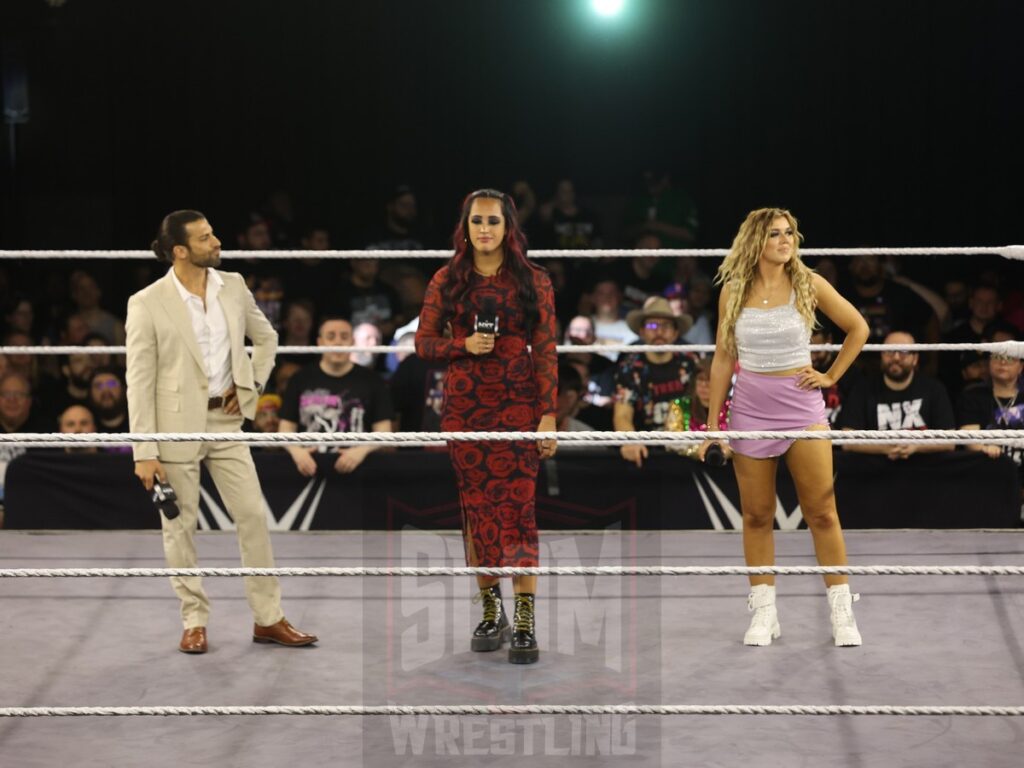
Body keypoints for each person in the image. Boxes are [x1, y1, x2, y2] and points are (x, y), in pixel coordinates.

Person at [127, 209, 316, 655]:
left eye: (214, 233)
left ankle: (268, 618)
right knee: (180, 525)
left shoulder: (233, 286)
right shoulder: (147, 303)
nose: (217, 242)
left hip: (227, 421)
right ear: (180, 250)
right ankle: (194, 620)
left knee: (252, 514)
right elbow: (139, 380)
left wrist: (249, 384)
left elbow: (266, 338)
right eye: (206, 237)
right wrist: (144, 450)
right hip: (174, 427)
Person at [702, 208, 869, 647]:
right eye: (775, 233)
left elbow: (858, 328)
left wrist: (831, 375)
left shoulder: (808, 284)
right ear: (756, 241)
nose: (785, 239)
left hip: (801, 406)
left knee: (822, 511)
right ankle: (764, 612)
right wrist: (712, 425)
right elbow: (722, 359)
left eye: (789, 232)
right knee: (756, 515)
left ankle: (841, 610)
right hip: (750, 409)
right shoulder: (733, 292)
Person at [415, 188, 557, 665]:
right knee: (477, 512)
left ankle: (524, 620)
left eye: (493, 221)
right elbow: (423, 343)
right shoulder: (447, 279)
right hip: (466, 407)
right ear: (465, 226)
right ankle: (491, 612)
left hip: (519, 404)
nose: (485, 229)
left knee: (518, 511)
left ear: (508, 226)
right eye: (477, 221)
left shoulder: (533, 280)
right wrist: (463, 346)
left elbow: (548, 349)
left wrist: (549, 414)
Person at [278, 316, 393, 476]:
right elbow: (285, 428)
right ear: (320, 342)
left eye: (344, 337)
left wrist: (361, 451)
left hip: (360, 472)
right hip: (308, 470)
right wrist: (297, 452)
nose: (338, 342)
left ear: (352, 341)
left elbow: (385, 431)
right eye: (331, 337)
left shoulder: (372, 380)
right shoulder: (300, 379)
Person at [839, 330, 956, 458]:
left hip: (923, 471)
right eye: (889, 351)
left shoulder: (934, 389)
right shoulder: (863, 389)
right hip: (876, 473)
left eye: (903, 352)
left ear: (915, 358)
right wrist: (885, 448)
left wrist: (916, 446)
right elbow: (847, 440)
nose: (895, 357)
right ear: (881, 355)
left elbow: (949, 441)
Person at [613, 296, 696, 467]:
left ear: (675, 333)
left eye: (666, 326)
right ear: (642, 332)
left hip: (689, 449)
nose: (659, 331)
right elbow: (622, 414)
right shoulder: (630, 367)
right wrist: (630, 440)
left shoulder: (689, 363)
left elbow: (707, 406)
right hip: (645, 453)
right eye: (652, 325)